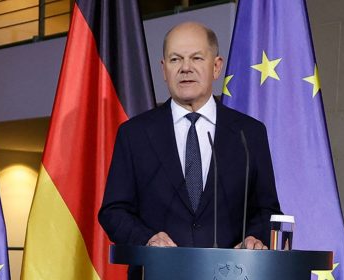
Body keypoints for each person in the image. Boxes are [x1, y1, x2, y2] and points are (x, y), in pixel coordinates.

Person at [99, 21, 282, 278]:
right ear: (164, 69)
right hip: (157, 274)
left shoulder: (249, 133)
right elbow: (113, 211)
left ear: (216, 66)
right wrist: (147, 239)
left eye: (196, 58)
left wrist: (253, 238)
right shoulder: (134, 133)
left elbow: (268, 211)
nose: (186, 68)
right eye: (175, 59)